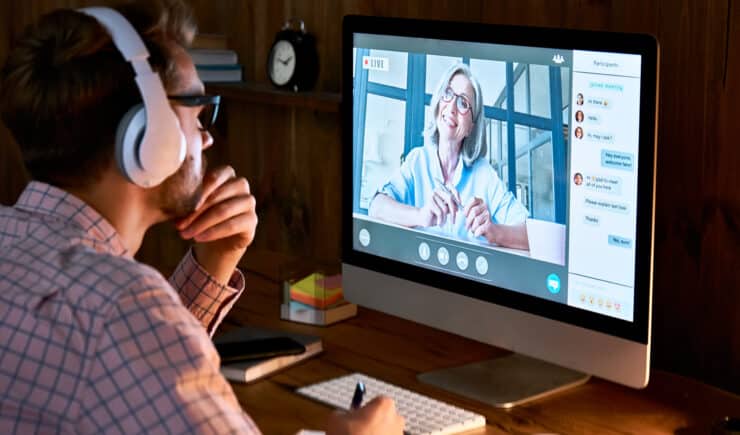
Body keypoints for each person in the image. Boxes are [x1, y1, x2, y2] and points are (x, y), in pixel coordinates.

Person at [0, 1, 404, 434]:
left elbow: (133, 384)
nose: (207, 137)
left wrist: (215, 261)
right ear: (149, 137)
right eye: (197, 111)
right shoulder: (118, 308)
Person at [368, 63, 529, 249]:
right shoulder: (417, 161)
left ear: (472, 127)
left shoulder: (485, 174)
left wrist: (494, 231)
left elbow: (529, 234)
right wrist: (420, 215)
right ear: (438, 104)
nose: (451, 107)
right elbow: (377, 207)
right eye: (447, 93)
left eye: (463, 103)